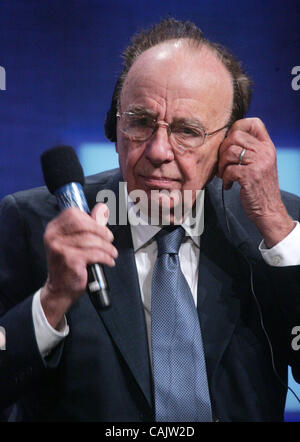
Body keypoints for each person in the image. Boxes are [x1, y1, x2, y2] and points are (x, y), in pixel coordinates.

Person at [0, 18, 299, 422]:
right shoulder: (33, 223)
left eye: (187, 131)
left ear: (231, 143)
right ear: (115, 125)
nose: (158, 150)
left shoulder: (277, 229)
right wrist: (51, 300)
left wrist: (277, 229)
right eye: (140, 122)